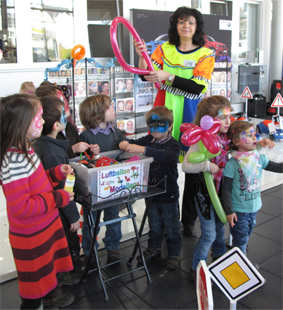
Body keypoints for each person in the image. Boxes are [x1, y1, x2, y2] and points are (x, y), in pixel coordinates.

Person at [134, 6, 215, 239]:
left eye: (190, 22)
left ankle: (188, 220)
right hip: (163, 116)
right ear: (175, 25)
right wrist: (142, 57)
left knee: (191, 170)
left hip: (191, 118)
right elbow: (147, 74)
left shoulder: (205, 54)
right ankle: (163, 220)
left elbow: (197, 87)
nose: (186, 26)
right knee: (163, 166)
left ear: (197, 26)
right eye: (181, 22)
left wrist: (168, 76)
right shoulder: (163, 49)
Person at [182, 96, 275, 284]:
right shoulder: (201, 138)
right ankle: (196, 268)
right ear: (208, 119)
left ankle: (219, 261)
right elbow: (186, 166)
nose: (228, 121)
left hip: (222, 195)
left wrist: (261, 143)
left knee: (219, 230)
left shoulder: (226, 136)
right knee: (209, 234)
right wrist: (208, 166)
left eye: (229, 116)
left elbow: (242, 146)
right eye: (222, 117)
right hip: (206, 195)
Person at [0, 94, 75, 309]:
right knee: (33, 290)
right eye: (39, 117)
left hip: (43, 229)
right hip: (31, 237)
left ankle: (50, 297)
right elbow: (21, 206)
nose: (43, 122)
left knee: (46, 274)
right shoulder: (13, 160)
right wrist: (58, 197)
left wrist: (56, 173)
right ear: (20, 122)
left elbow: (38, 183)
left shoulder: (27, 149)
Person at [119, 106, 182, 270]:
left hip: (168, 195)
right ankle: (153, 249)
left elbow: (165, 156)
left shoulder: (173, 145)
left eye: (160, 124)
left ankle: (174, 253)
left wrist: (144, 150)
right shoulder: (147, 139)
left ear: (169, 126)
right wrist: (125, 142)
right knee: (154, 225)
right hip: (151, 194)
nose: (155, 128)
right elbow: (131, 143)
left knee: (172, 226)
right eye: (151, 124)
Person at [33, 95, 85, 277]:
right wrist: (73, 217)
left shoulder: (42, 145)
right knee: (69, 241)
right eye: (64, 114)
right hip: (60, 210)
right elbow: (62, 188)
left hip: (55, 207)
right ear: (56, 125)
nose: (67, 115)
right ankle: (71, 271)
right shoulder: (52, 153)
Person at [222, 120, 283, 256]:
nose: (255, 137)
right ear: (236, 141)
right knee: (241, 242)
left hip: (254, 209)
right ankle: (243, 270)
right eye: (249, 135)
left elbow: (278, 167)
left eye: (254, 134)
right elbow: (226, 189)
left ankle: (241, 263)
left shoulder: (258, 158)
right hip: (239, 212)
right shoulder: (233, 164)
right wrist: (229, 211)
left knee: (246, 237)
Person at [79, 94, 124, 264]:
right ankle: (90, 249)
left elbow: (121, 154)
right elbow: (81, 161)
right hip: (93, 188)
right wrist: (90, 154)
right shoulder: (86, 136)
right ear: (97, 115)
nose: (113, 109)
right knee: (91, 220)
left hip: (113, 185)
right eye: (110, 107)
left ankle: (113, 246)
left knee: (113, 216)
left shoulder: (117, 133)